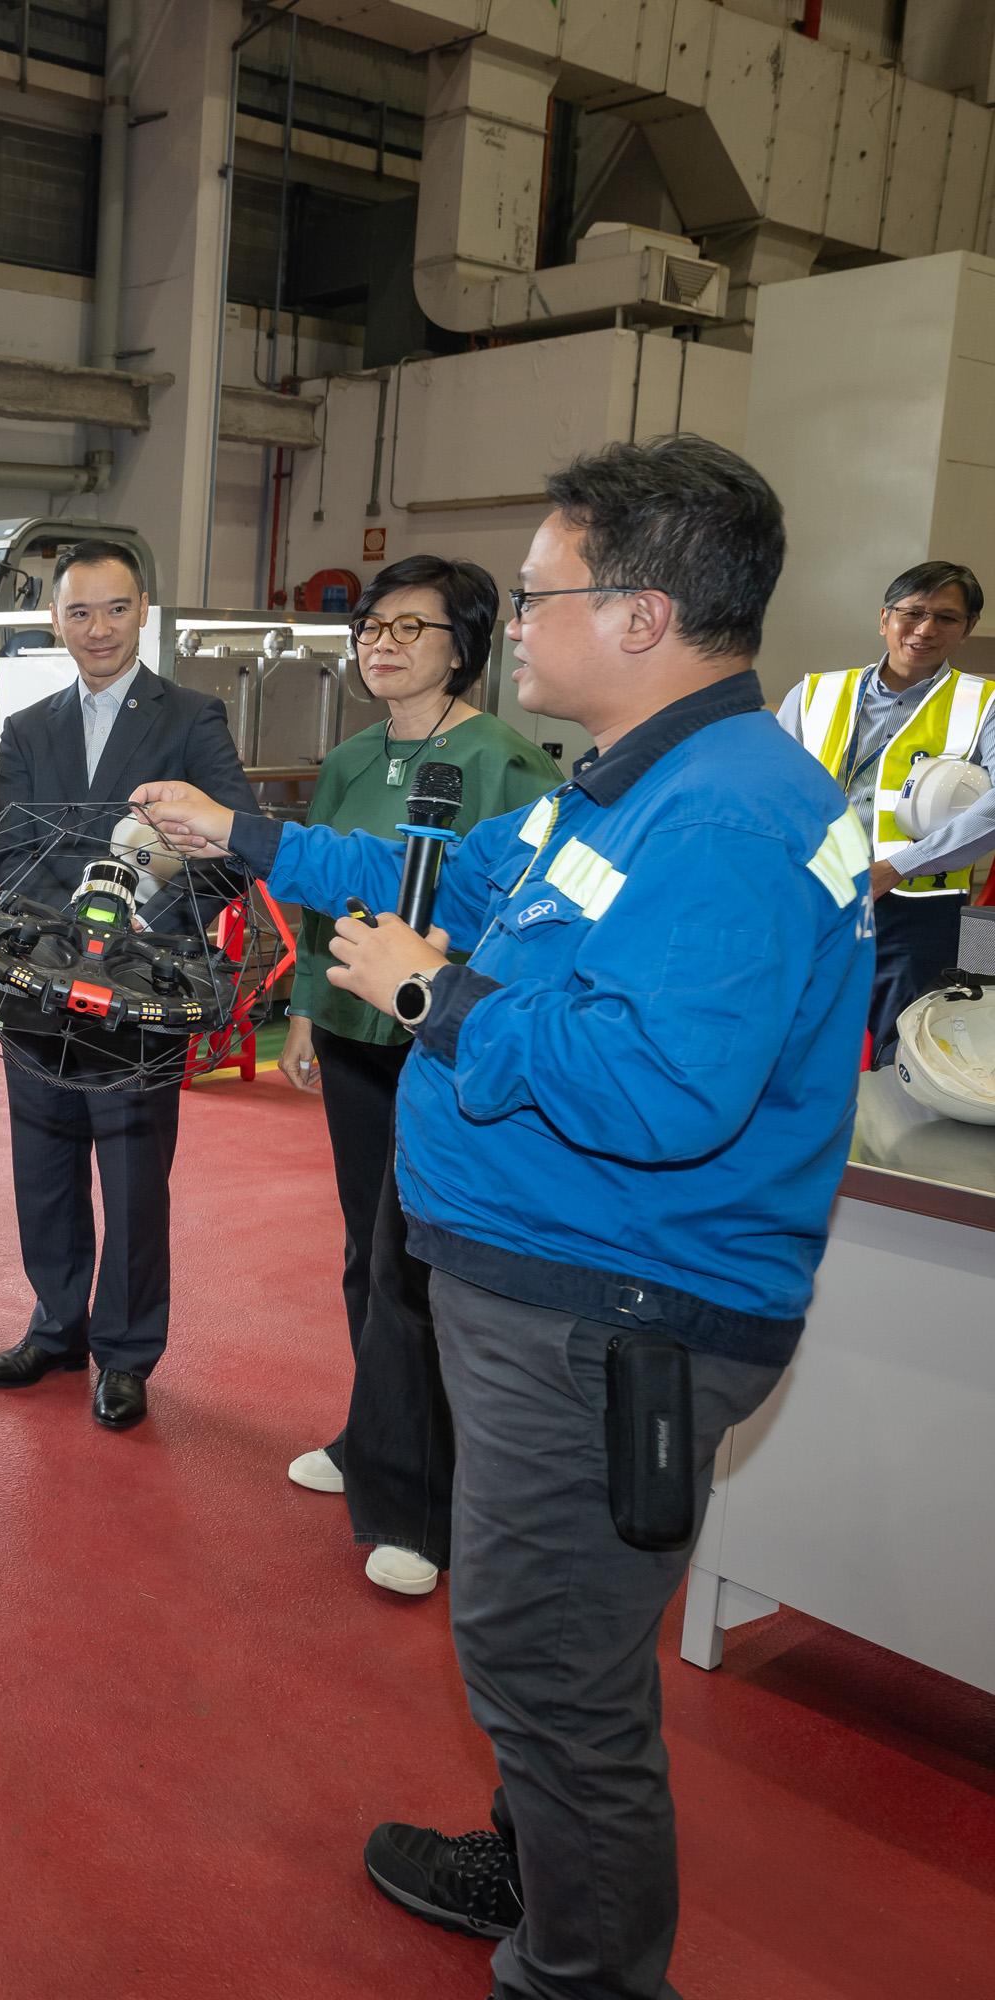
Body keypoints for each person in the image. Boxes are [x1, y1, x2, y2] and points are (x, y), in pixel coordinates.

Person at [136, 435, 870, 2000]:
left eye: (538, 599)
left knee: (549, 1668)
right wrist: (247, 837)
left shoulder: (727, 820)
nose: (514, 626)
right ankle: (534, 1870)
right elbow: (437, 878)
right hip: (544, 1289)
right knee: (552, 1639)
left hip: (615, 1317)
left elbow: (672, 1092)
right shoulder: (619, 788)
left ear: (646, 614)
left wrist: (432, 998)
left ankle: (586, 1972)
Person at [273, 556, 557, 1596]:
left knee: (421, 1267)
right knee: (366, 1250)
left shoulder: (505, 760)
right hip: (355, 1027)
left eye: (409, 627)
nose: (380, 643)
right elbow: (321, 895)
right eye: (370, 627)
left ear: (464, 644)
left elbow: (517, 922)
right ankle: (372, 1433)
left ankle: (430, 1491)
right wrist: (306, 1005)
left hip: (445, 1044)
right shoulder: (350, 755)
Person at [0, 540, 255, 1430]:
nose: (99, 628)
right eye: (79, 611)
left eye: (116, 608)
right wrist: (74, 932)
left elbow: (231, 849)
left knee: (135, 1182)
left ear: (144, 612)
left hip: (144, 988)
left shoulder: (191, 717)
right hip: (39, 987)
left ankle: (127, 1354)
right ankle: (57, 1324)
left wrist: (138, 909)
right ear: (54, 621)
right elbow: (11, 856)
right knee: (43, 1168)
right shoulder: (27, 728)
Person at [773, 559, 995, 1064]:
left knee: (906, 1052)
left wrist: (896, 868)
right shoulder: (814, 694)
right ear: (883, 618)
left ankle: (887, 1145)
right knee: (797, 1040)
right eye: (911, 613)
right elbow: (767, 792)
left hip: (917, 908)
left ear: (968, 628)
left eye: (945, 618)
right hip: (815, 895)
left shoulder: (984, 703)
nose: (924, 630)